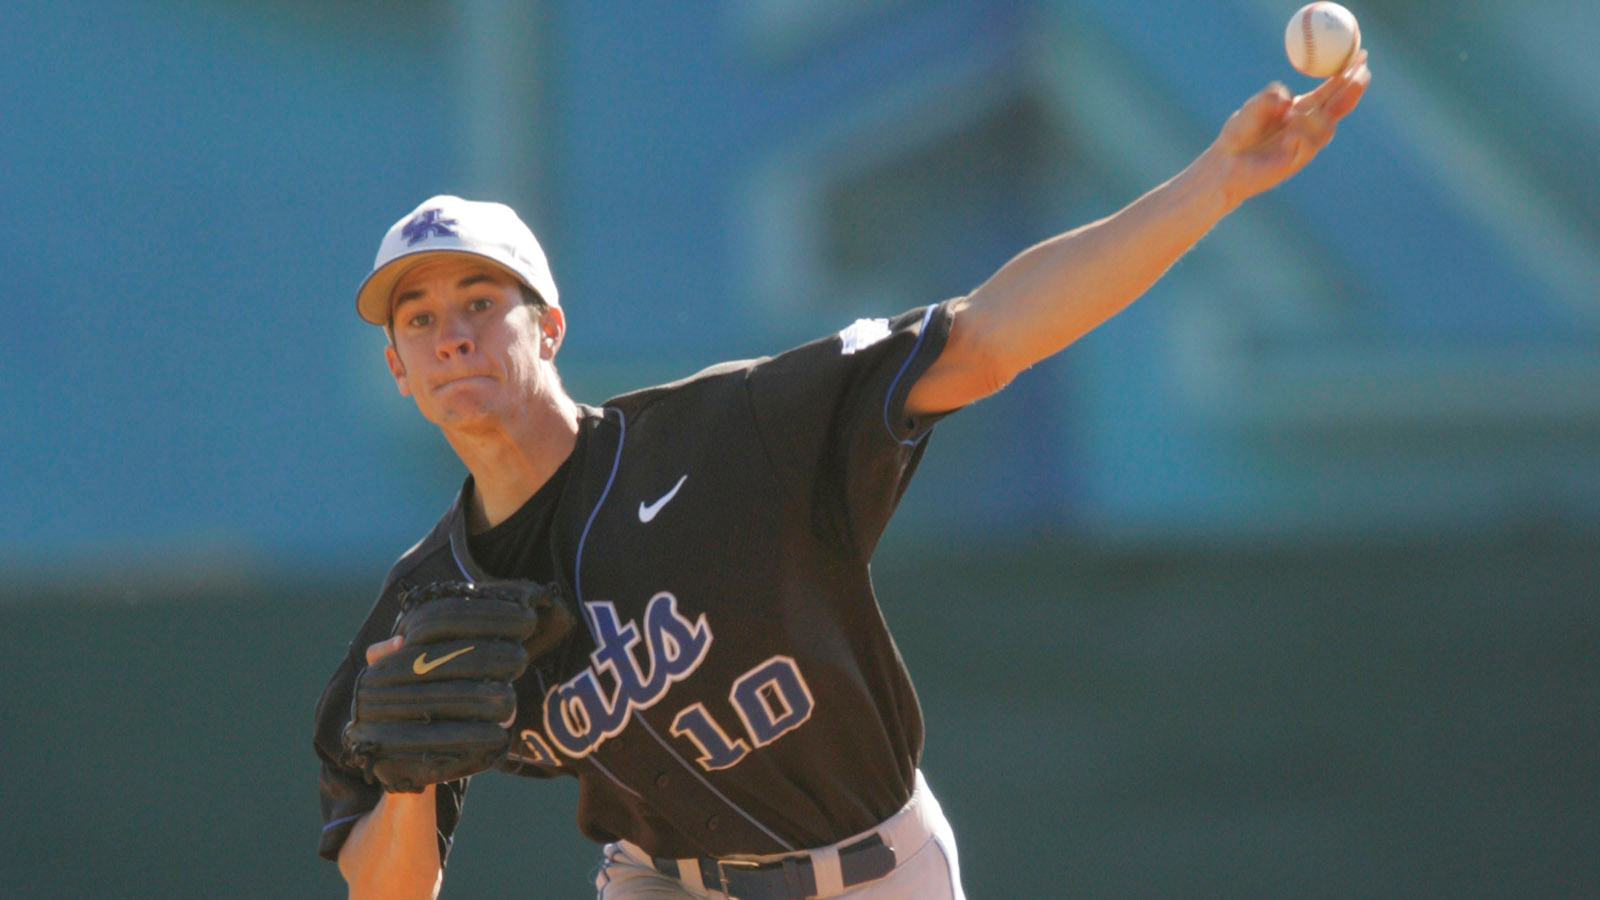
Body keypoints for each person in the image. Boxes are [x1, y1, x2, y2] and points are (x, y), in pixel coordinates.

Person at [313, 55, 1370, 900]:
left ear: (547, 327)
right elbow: (385, 888)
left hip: (875, 873)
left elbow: (989, 337)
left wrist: (1216, 182)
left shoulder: (727, 434)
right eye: (417, 320)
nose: (450, 335)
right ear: (398, 371)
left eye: (477, 302)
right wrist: (408, 790)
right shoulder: (423, 607)